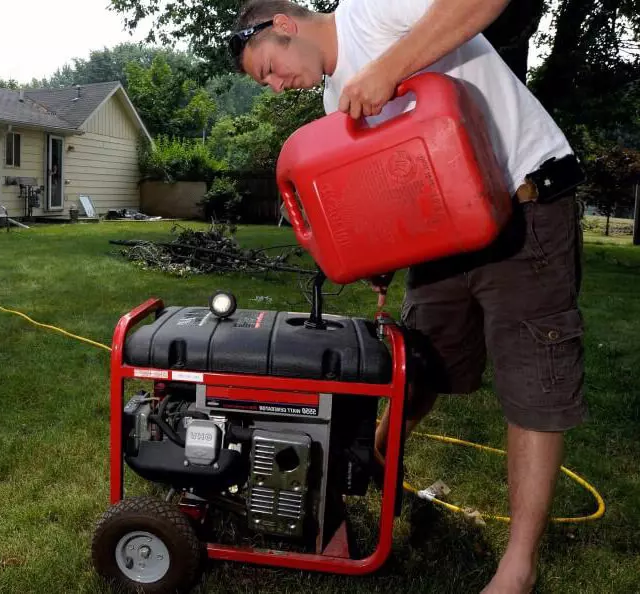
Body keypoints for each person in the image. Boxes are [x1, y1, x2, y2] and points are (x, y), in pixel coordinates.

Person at [228, 1, 587, 593]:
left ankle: (517, 567)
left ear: (283, 25)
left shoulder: (372, 10)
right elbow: (393, 178)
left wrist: (390, 67)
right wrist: (380, 255)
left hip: (527, 204)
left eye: (266, 68)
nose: (271, 87)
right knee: (418, 367)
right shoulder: (330, 100)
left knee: (534, 384)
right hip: (445, 233)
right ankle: (377, 463)